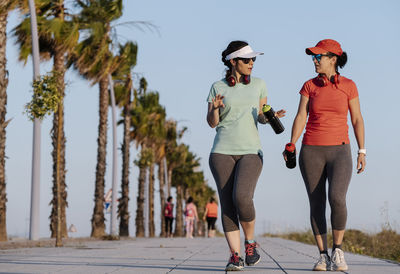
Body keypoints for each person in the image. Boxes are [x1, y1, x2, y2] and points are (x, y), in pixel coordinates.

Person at [286, 39, 365, 271]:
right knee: (316, 203)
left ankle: (338, 251)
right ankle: (322, 255)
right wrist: (291, 143)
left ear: (333, 59)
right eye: (313, 57)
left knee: (337, 198)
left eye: (319, 57)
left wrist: (362, 150)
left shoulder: (349, 85)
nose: (314, 60)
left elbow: (357, 118)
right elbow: (301, 116)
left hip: (340, 150)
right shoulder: (309, 85)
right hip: (311, 150)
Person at [207, 40, 285, 271]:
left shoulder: (259, 84)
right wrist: (214, 108)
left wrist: (271, 116)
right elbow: (212, 123)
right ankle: (235, 256)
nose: (252, 63)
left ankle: (250, 242)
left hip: (251, 151)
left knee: (242, 196)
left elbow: (260, 116)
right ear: (233, 62)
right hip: (221, 152)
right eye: (247, 59)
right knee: (228, 204)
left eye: (254, 60)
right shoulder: (217, 87)